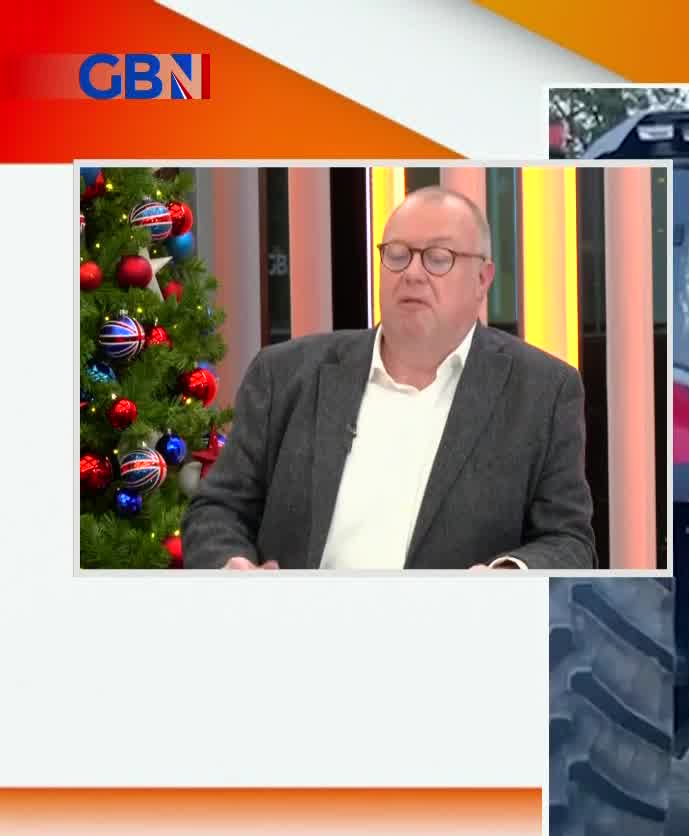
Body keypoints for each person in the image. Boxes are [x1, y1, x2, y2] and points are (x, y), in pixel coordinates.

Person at [182, 186, 595, 571]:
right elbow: (218, 511)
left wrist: (509, 576)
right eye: (397, 254)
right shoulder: (285, 373)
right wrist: (232, 565)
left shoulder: (542, 390)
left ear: (482, 279)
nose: (412, 273)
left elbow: (568, 541)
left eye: (438, 257)